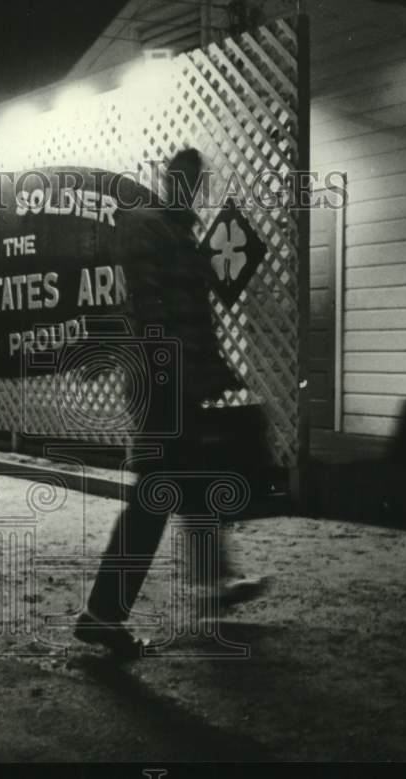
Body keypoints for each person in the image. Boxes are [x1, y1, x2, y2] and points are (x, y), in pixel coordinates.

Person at [74, 149, 268, 657]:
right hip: (162, 380)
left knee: (191, 484)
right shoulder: (147, 227)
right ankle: (101, 614)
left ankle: (213, 587)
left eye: (194, 179)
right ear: (168, 179)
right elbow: (150, 307)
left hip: (176, 379)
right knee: (157, 493)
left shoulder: (180, 235)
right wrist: (175, 373)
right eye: (183, 178)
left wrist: (210, 368)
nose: (189, 186)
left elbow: (192, 317)